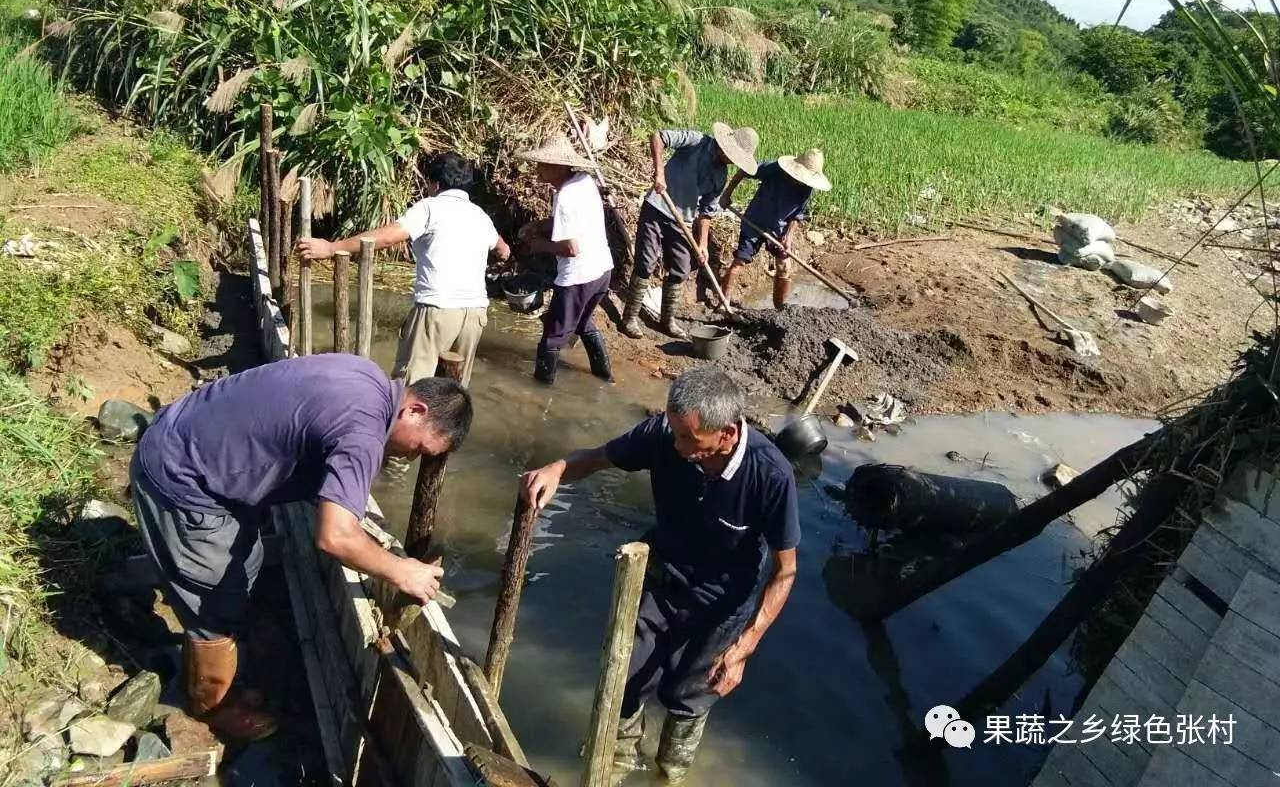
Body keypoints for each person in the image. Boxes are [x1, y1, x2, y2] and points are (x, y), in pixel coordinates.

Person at [130, 354, 473, 741]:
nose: (410, 458)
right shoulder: (364, 431)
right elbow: (334, 537)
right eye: (420, 448)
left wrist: (369, 540)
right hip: (183, 478)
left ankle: (226, 655)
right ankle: (209, 706)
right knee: (214, 603)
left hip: (189, 437)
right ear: (414, 410)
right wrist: (401, 569)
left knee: (246, 562)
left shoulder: (367, 378)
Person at [520, 366, 799, 781]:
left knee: (689, 697)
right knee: (625, 678)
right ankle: (614, 763)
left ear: (727, 433)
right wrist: (557, 468)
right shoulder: (663, 437)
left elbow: (784, 572)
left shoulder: (770, 475)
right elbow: (595, 458)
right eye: (674, 431)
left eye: (690, 438)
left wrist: (746, 645)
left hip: (722, 604)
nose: (678, 445)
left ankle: (669, 772)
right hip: (660, 581)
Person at [297, 150, 510, 388]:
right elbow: (503, 249)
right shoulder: (479, 215)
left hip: (437, 309)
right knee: (454, 391)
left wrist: (332, 247)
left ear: (435, 183)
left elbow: (388, 237)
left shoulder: (430, 207)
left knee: (412, 387)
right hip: (475, 313)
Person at [619, 123, 758, 339]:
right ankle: (629, 318)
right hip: (658, 207)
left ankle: (667, 321)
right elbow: (658, 136)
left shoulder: (720, 176)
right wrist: (659, 174)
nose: (732, 161)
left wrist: (702, 245)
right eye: (733, 156)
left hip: (682, 220)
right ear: (725, 147)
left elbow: (706, 213)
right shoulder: (696, 141)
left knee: (682, 269)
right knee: (646, 263)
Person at [516, 134, 615, 385]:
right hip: (602, 270)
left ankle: (540, 387)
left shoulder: (565, 198)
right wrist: (540, 225)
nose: (537, 170)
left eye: (542, 165)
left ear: (557, 167)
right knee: (582, 322)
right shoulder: (584, 181)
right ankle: (605, 378)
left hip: (578, 276)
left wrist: (538, 245)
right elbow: (575, 225)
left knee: (553, 335)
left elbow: (571, 248)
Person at [719, 148, 831, 309]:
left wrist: (789, 237)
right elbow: (744, 170)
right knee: (740, 261)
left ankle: (779, 308)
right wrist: (726, 194)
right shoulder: (773, 169)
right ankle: (724, 303)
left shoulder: (807, 188)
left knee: (784, 267)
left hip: (779, 228)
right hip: (754, 221)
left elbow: (797, 215)